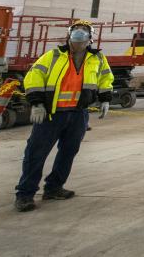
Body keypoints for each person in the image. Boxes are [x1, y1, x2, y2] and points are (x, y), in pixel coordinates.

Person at [14, 20, 113, 212]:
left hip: (78, 114)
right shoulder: (53, 56)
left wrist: (105, 98)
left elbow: (105, 78)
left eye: (84, 30)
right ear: (69, 35)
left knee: (68, 152)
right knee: (36, 154)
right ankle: (25, 194)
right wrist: (36, 103)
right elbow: (34, 77)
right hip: (52, 114)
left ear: (90, 37)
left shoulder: (98, 58)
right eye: (76, 30)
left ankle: (54, 187)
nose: (79, 33)